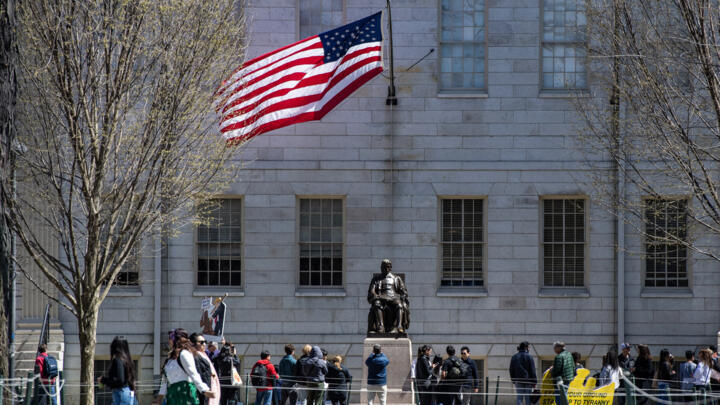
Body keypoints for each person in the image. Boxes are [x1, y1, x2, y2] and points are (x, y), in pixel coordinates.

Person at [154, 328, 214, 405]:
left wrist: (204, 390)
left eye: (171, 338)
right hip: (173, 395)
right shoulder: (169, 360)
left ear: (178, 340)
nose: (169, 341)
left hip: (185, 393)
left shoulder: (184, 354)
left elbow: (193, 373)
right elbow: (165, 381)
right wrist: (159, 398)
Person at [98, 337, 137, 405]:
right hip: (129, 393)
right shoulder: (128, 361)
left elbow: (120, 381)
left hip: (121, 394)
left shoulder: (118, 360)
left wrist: (103, 380)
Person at [190, 333, 221, 405]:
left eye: (205, 342)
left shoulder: (203, 354)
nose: (204, 344)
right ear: (193, 343)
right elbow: (201, 376)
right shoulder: (196, 356)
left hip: (209, 390)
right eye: (201, 342)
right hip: (203, 393)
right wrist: (206, 392)